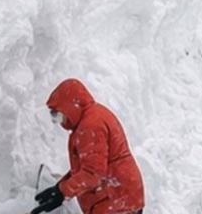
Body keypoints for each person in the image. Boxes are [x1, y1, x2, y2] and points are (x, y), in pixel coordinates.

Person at [34, 79, 144, 214]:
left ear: (70, 107)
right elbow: (87, 167)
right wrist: (59, 188)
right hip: (118, 196)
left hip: (115, 198)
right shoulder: (91, 118)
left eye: (56, 114)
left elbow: (93, 174)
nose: (57, 121)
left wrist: (62, 192)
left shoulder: (90, 126)